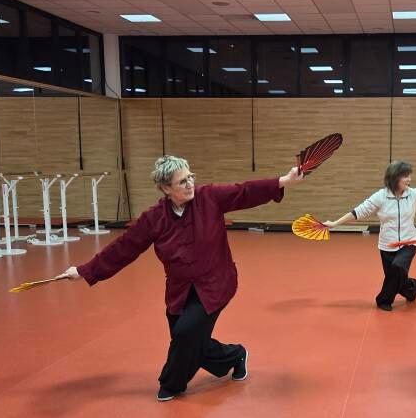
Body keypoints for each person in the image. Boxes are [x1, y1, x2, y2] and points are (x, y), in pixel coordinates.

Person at [58, 155, 304, 401]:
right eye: (182, 182)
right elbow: (124, 248)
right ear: (166, 188)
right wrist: (84, 270)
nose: (190, 184)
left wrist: (284, 181)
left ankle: (171, 384)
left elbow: (244, 191)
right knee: (190, 340)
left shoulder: (208, 197)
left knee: (186, 334)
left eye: (190, 177)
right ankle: (236, 355)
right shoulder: (154, 218)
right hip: (180, 291)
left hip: (216, 284)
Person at [324, 160, 416, 311]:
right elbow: (359, 211)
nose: (409, 179)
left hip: (409, 242)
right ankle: (412, 288)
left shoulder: (413, 194)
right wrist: (336, 223)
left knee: (397, 267)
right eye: (405, 176)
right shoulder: (380, 196)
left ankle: (383, 300)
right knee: (396, 277)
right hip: (387, 245)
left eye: (409, 175)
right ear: (394, 177)